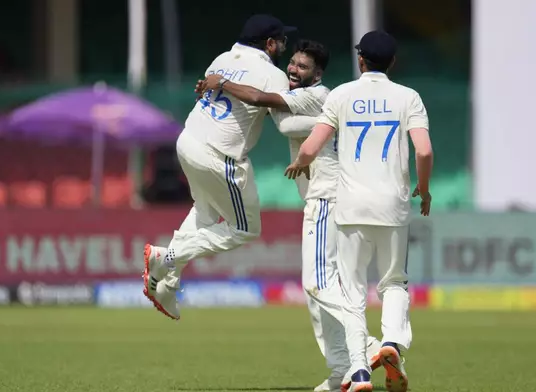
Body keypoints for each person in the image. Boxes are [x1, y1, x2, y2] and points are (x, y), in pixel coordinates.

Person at [201, 39, 383, 391]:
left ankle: (367, 347)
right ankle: (339, 371)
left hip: (328, 200)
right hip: (327, 200)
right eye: (293, 63)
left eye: (302, 67)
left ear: (317, 74)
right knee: (317, 290)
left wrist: (221, 84)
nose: (293, 70)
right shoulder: (314, 100)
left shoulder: (318, 94)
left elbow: (277, 119)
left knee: (318, 284)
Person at [284, 30, 434, 392]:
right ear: (393, 62)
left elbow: (312, 145)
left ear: (360, 60)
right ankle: (390, 343)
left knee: (351, 294)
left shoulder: (341, 95)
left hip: (349, 207)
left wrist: (301, 163)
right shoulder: (407, 97)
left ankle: (360, 373)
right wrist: (424, 190)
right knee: (393, 283)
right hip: (392, 206)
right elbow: (424, 152)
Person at [141, 14, 296, 320]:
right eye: (281, 41)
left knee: (204, 212)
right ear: (268, 43)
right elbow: (276, 112)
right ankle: (165, 257)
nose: (284, 47)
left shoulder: (222, 59)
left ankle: (165, 283)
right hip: (219, 156)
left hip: (188, 141)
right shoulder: (271, 73)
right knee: (245, 229)